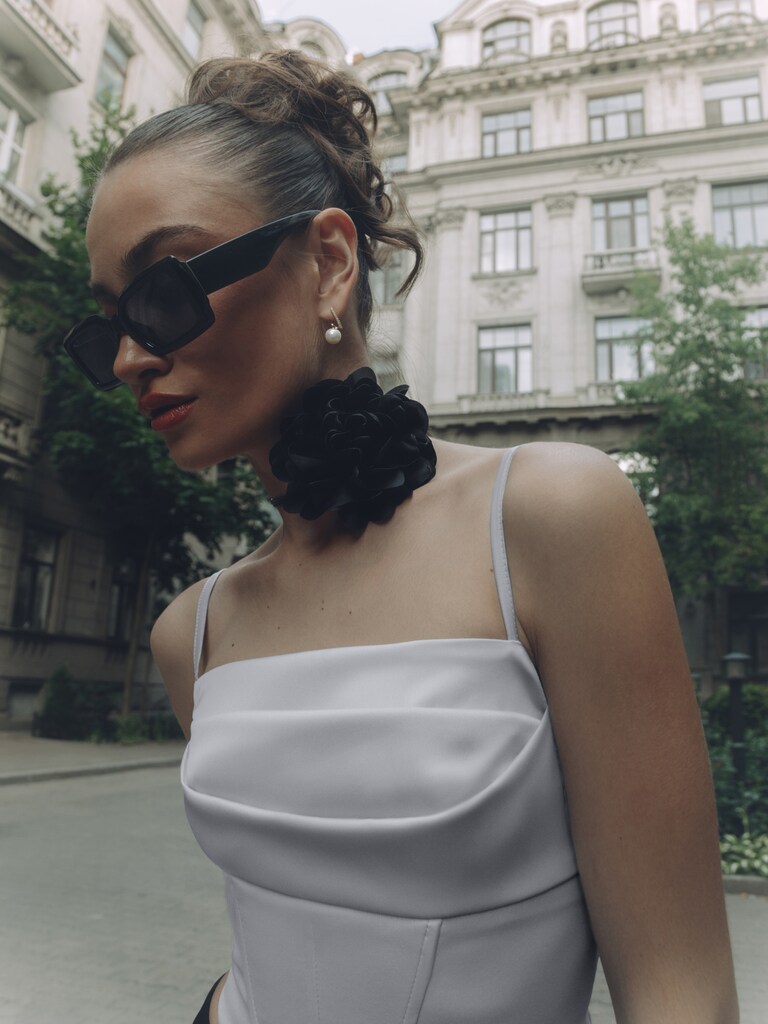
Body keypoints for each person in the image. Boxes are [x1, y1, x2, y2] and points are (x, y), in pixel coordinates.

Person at [65, 50, 738, 1024]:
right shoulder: (192, 630)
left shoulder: (552, 516)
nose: (131, 356)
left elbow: (681, 992)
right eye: (107, 327)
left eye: (164, 292)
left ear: (331, 264)